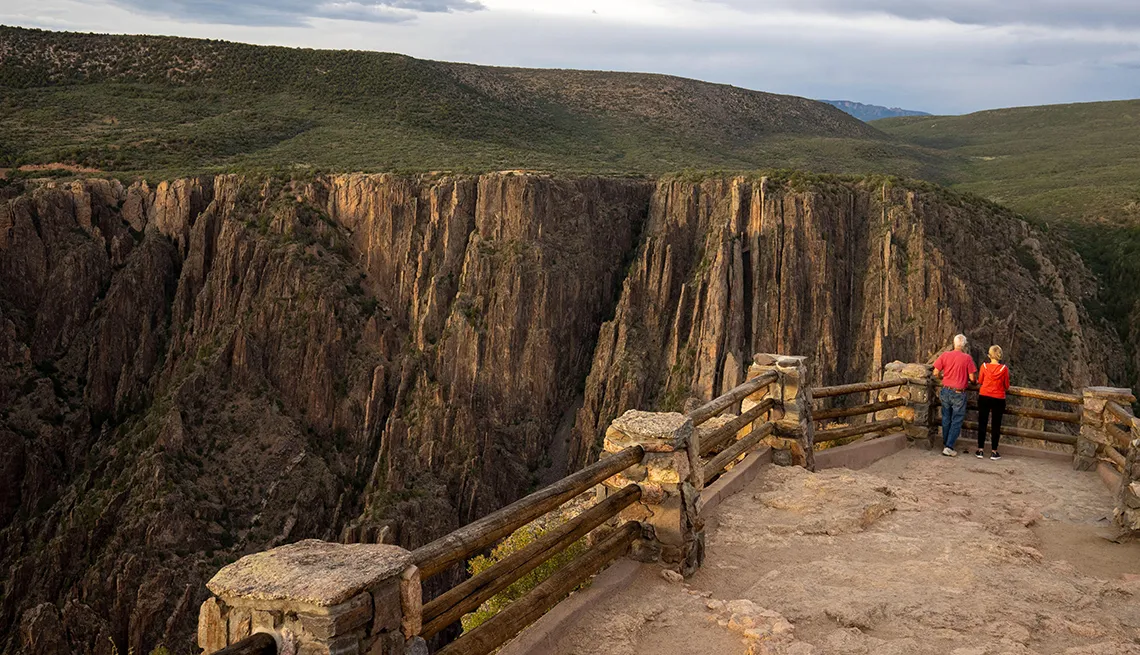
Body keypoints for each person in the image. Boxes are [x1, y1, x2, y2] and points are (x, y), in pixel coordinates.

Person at [933, 334, 977, 457]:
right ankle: (948, 446)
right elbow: (972, 377)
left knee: (946, 417)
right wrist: (973, 382)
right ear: (964, 345)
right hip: (958, 392)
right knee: (956, 420)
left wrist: (944, 377)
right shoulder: (967, 358)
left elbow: (935, 372)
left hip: (946, 390)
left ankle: (946, 443)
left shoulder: (945, 355)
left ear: (954, 343)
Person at [976, 345, 1010, 460]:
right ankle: (994, 451)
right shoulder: (1003, 369)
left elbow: (980, 381)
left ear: (989, 355)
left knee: (982, 422)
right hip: (998, 398)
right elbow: (1006, 386)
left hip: (984, 396)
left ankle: (980, 450)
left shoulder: (984, 366)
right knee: (996, 424)